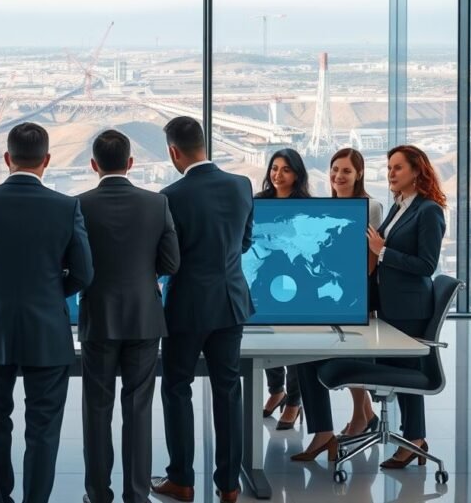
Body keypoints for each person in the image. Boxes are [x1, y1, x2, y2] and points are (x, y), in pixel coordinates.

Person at [0, 122, 93, 503]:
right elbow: (84, 273)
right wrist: (51, 294)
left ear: (6, 158)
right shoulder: (67, 207)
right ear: (47, 160)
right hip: (48, 332)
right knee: (43, 428)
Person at [293, 145, 446, 466]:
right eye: (389, 168)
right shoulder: (400, 206)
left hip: (409, 307)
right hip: (387, 303)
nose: (391, 173)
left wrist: (383, 251)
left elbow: (427, 265)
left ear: (417, 171)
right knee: (315, 355)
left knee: (406, 373)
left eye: (398, 167)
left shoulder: (428, 210)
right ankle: (398, 434)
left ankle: (414, 439)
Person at [152, 117, 253, 503]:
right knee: (228, 390)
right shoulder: (241, 185)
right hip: (230, 302)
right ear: (203, 144)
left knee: (177, 387)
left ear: (173, 152)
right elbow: (244, 242)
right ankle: (229, 486)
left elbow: (168, 259)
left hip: (187, 307)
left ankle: (181, 480)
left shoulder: (170, 196)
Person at [77, 130, 180, 503]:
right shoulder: (157, 204)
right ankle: (136, 494)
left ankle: (97, 493)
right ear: (131, 163)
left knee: (97, 409)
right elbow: (171, 262)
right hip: (143, 317)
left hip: (98, 317)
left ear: (94, 165)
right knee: (138, 408)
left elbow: (73, 264)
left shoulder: (78, 205)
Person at [329, 147, 383, 439]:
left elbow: (372, 260)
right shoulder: (329, 205)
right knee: (345, 353)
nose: (339, 175)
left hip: (356, 293)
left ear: (359, 174)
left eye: (346, 170)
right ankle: (367, 415)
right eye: (335, 169)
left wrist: (352, 290)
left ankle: (359, 418)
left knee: (354, 355)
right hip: (333, 290)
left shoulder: (370, 206)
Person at [255, 148, 311, 431]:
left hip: (296, 279)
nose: (278, 174)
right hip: (265, 277)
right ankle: (276, 390)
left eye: (286, 169)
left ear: (297, 174)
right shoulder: (259, 201)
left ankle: (294, 400)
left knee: (293, 341)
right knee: (267, 338)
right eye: (274, 168)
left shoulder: (306, 206)